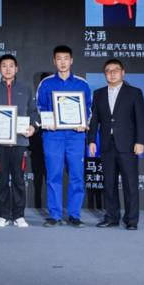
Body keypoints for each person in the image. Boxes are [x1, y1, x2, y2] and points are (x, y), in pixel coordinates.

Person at [0, 55, 40, 228]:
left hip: (20, 142)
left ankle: (19, 215)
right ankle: (3, 215)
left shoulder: (25, 89)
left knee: (19, 180)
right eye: (4, 66)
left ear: (16, 68)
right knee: (1, 179)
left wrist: (33, 127)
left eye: (11, 65)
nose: (7, 69)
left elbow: (33, 112)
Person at [36, 45, 92, 227]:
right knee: (54, 175)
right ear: (54, 61)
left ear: (71, 60)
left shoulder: (82, 84)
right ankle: (55, 215)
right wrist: (47, 122)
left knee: (76, 175)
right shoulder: (46, 84)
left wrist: (84, 123)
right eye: (59, 58)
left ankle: (74, 214)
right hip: (53, 135)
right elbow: (39, 108)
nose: (62, 62)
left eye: (66, 58)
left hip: (75, 136)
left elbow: (89, 109)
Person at [88, 59, 144, 230]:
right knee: (109, 184)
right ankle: (111, 217)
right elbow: (95, 120)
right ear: (104, 74)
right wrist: (91, 140)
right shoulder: (98, 94)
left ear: (123, 72)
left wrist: (140, 141)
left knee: (130, 184)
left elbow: (141, 119)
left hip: (128, 145)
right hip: (107, 145)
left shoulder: (134, 93)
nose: (112, 73)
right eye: (108, 70)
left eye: (116, 70)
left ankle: (131, 220)